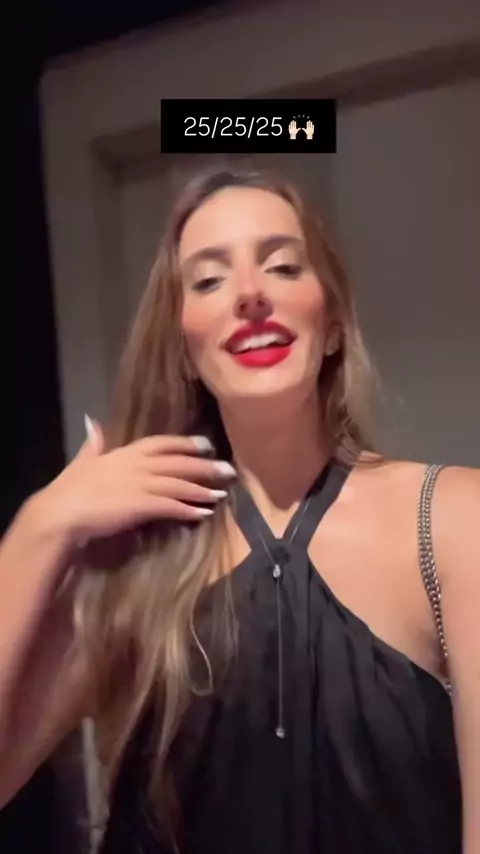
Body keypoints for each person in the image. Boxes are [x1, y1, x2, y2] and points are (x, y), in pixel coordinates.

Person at [0, 164, 478, 854]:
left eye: (282, 267)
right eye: (209, 280)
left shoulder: (454, 520)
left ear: (334, 322)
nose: (251, 295)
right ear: (184, 348)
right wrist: (39, 529)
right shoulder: (135, 558)